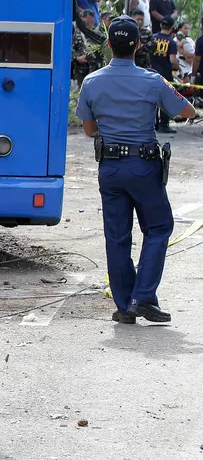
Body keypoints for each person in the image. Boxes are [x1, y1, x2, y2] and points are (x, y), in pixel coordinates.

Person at [76, 16, 195, 325]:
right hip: (143, 166)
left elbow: (89, 130)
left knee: (116, 237)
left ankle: (124, 304)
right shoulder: (153, 80)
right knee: (158, 228)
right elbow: (187, 110)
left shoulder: (91, 81)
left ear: (109, 45)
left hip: (110, 169)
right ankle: (143, 297)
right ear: (139, 45)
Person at [149, 18, 179, 133]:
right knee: (165, 99)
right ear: (172, 27)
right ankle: (164, 125)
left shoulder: (153, 38)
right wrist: (178, 68)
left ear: (161, 25)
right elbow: (172, 60)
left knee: (153, 99)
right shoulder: (171, 42)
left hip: (152, 71)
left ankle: (154, 123)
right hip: (166, 73)